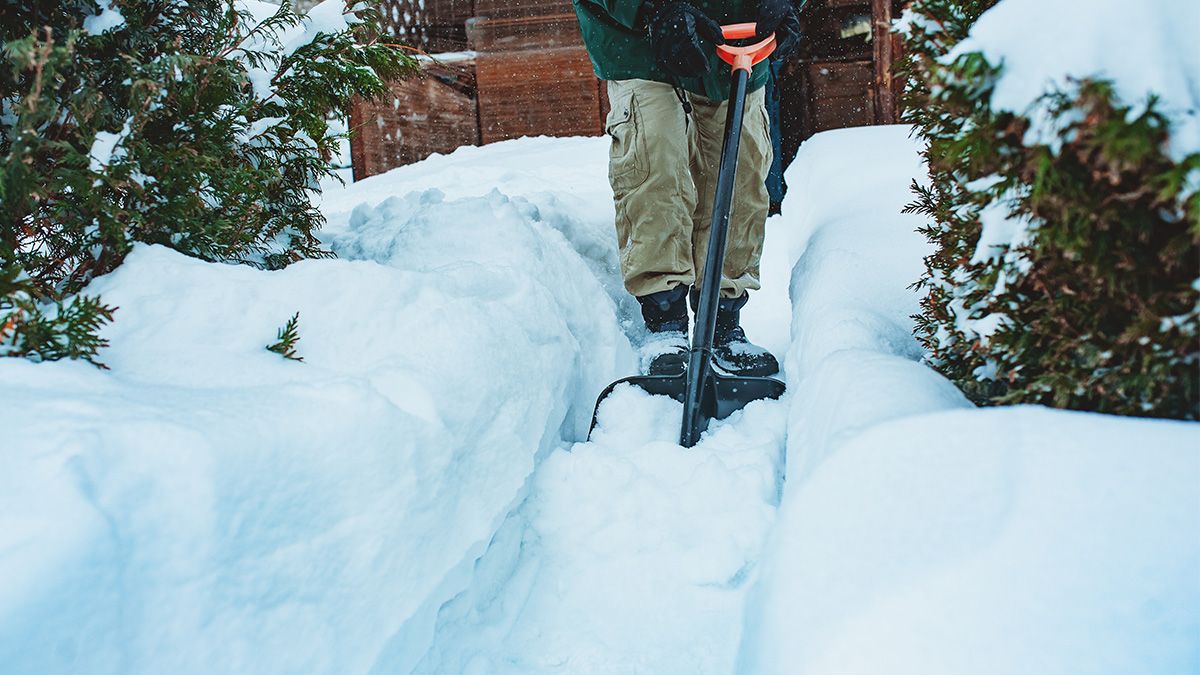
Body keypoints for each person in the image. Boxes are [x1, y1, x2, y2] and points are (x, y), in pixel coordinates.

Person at [572, 0, 803, 378]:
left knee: (741, 178)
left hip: (741, 42)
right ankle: (665, 323)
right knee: (656, 167)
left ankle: (723, 322)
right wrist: (652, 10)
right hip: (645, 46)